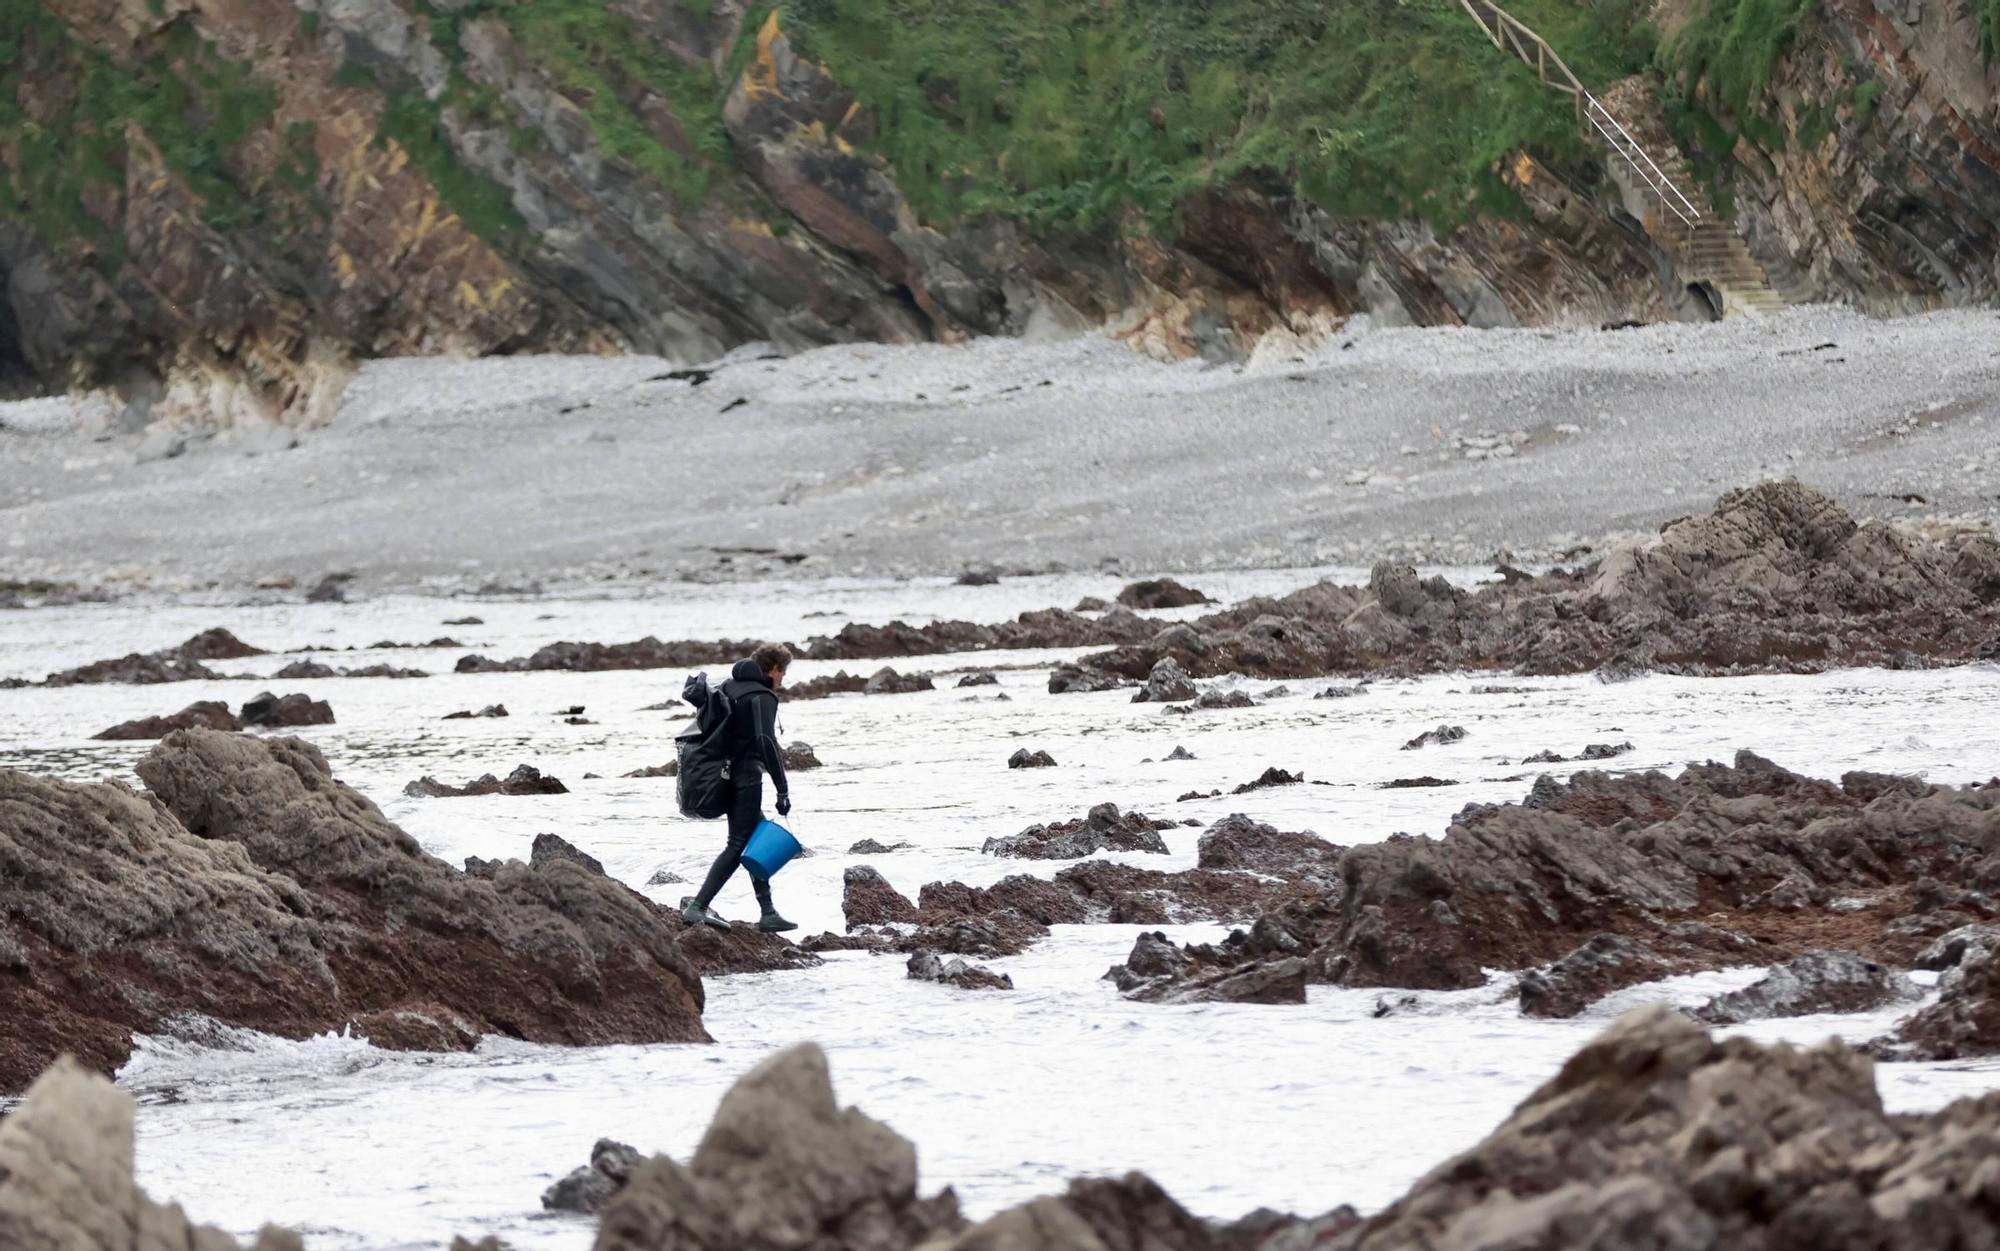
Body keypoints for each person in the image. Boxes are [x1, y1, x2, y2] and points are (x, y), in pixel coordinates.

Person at [682, 642, 797, 932]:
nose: (783, 678)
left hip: (723, 773)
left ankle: (768, 911)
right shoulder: (762, 696)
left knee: (754, 838)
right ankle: (698, 906)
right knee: (737, 844)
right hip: (746, 777)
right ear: (773, 668)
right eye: (783, 672)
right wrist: (782, 789)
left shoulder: (728, 687)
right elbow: (765, 741)